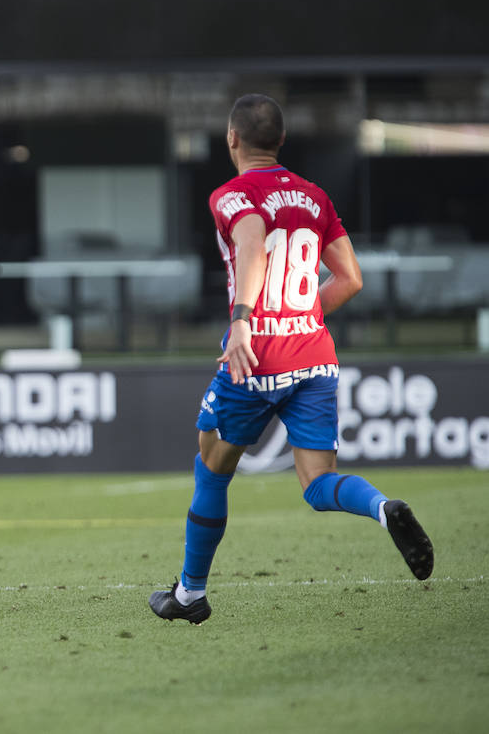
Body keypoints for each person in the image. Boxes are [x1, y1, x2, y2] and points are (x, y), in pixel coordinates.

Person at [148, 94, 433, 625]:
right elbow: (351, 278)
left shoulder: (232, 195)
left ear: (232, 139)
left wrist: (243, 319)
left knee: (211, 467)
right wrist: (301, 315)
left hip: (258, 355)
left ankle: (190, 594)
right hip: (315, 355)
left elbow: (253, 245)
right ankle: (383, 508)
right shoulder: (314, 196)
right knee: (318, 482)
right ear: (280, 141)